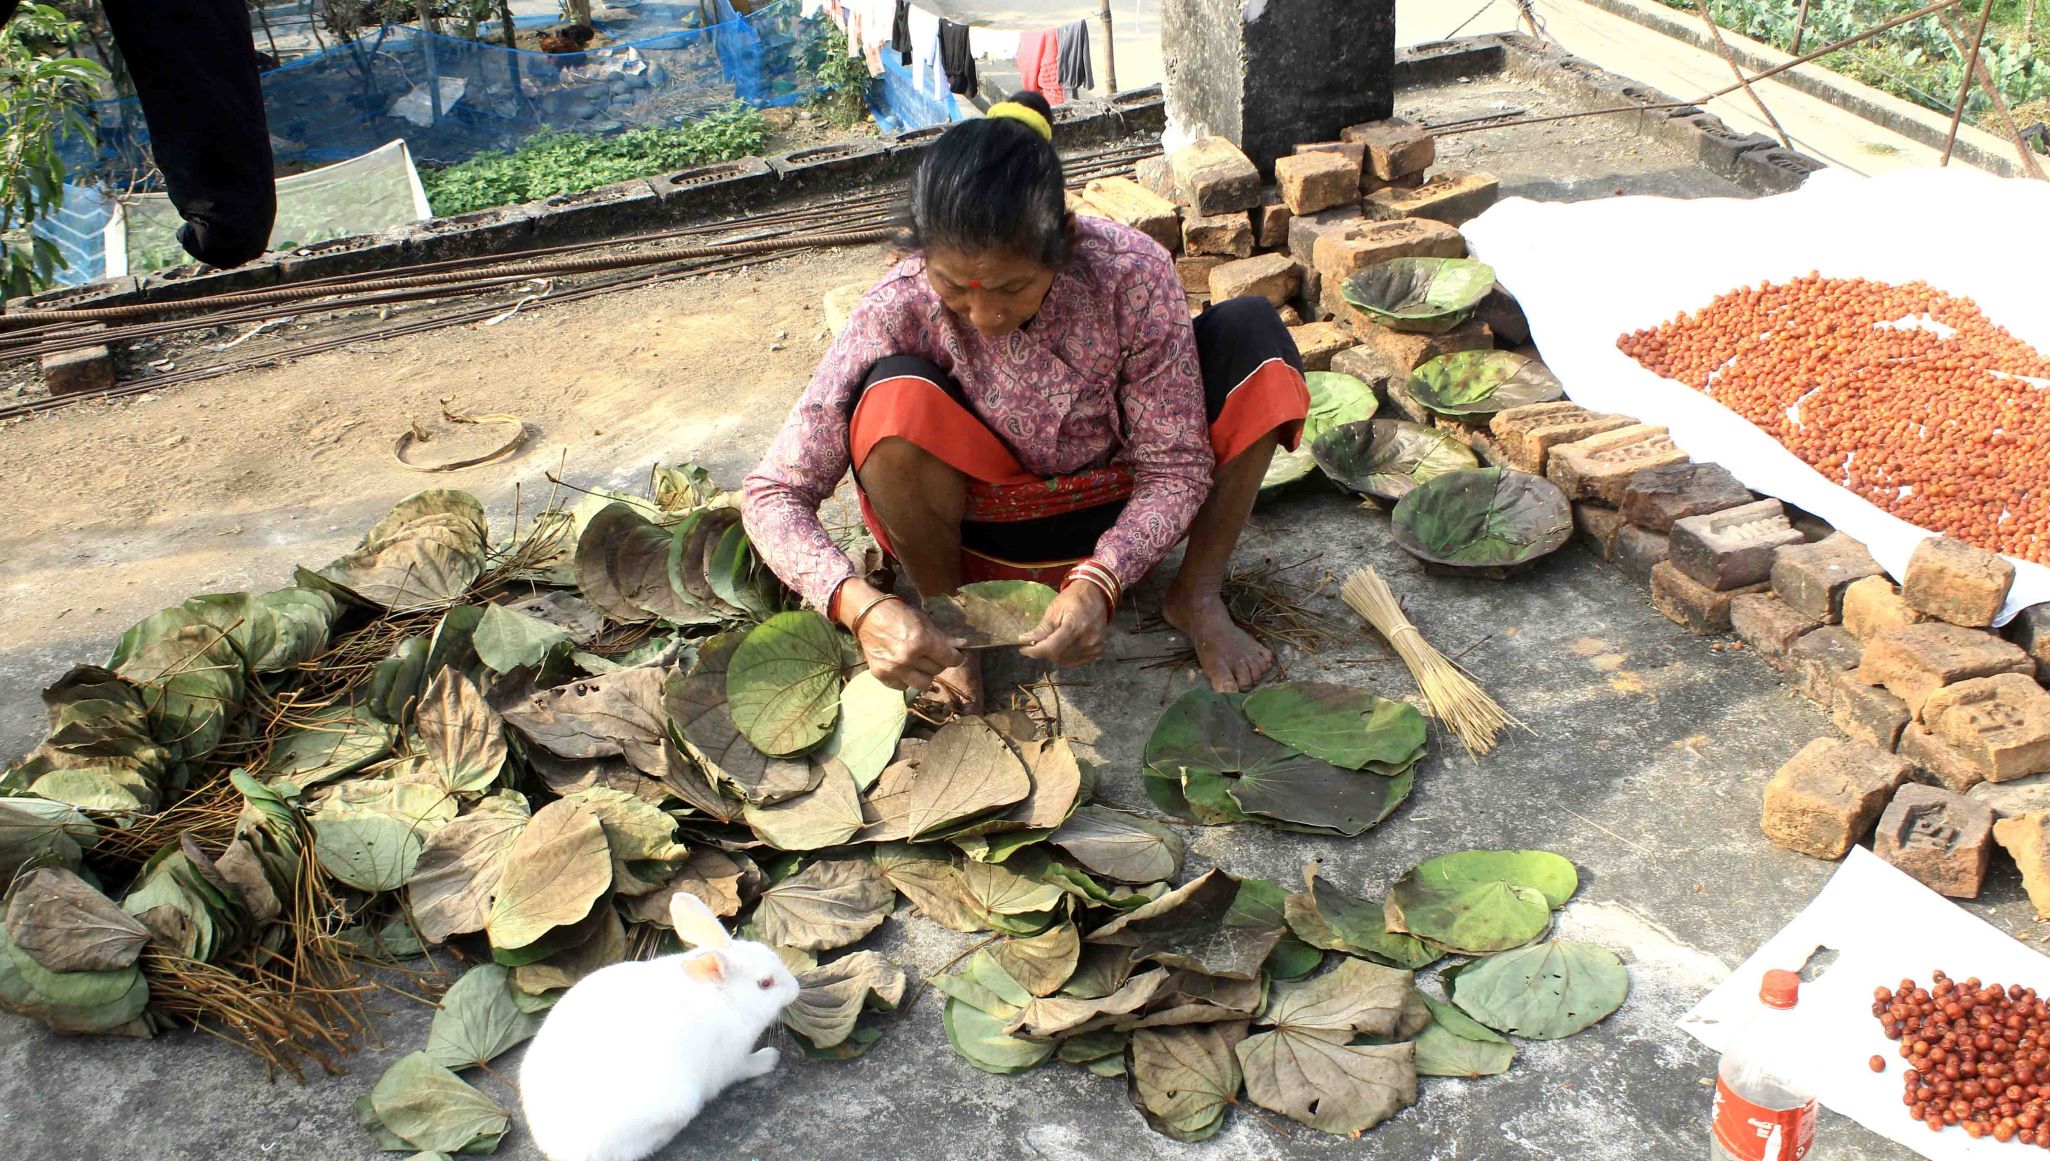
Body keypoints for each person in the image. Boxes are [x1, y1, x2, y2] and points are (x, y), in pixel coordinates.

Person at [740, 93, 1309, 705]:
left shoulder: (1131, 272)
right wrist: (858, 605)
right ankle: (948, 624)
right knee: (892, 400)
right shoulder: (895, 305)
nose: (985, 315)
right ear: (920, 252)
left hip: (1117, 520)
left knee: (1256, 339)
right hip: (984, 538)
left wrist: (1104, 577)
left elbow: (1176, 465)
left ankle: (1194, 594)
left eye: (1013, 287)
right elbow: (773, 493)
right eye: (954, 288)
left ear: (1064, 241)